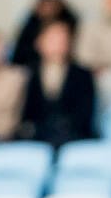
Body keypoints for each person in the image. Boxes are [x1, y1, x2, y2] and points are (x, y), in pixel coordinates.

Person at [18, 21, 97, 150]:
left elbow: (85, 114)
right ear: (40, 42)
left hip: (73, 137)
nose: (59, 43)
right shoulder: (30, 74)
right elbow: (27, 113)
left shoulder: (82, 75)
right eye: (53, 39)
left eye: (63, 39)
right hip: (39, 137)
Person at [10, 0, 79, 72]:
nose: (48, 6)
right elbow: (19, 56)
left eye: (51, 2)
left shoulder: (70, 21)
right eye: (45, 2)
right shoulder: (30, 25)